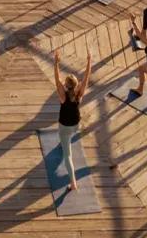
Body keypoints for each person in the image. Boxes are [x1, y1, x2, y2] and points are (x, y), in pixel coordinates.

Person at [53, 46, 92, 192]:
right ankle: (64, 143)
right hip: (76, 125)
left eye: (65, 83)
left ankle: (73, 183)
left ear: (67, 86)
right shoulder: (79, 94)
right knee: (67, 139)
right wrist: (89, 61)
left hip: (65, 127)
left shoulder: (62, 96)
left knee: (67, 155)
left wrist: (56, 62)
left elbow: (56, 79)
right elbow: (87, 77)